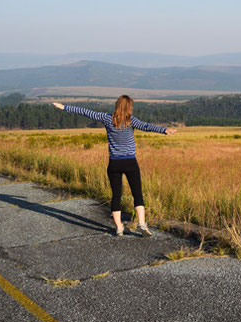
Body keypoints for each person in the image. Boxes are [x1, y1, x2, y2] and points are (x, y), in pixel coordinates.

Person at [52, 95, 176, 237]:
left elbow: (86, 112)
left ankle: (118, 228)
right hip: (130, 162)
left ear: (117, 105)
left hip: (114, 163)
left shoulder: (107, 118)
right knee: (137, 194)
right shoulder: (131, 120)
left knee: (116, 195)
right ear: (129, 107)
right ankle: (142, 223)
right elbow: (146, 126)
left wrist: (64, 107)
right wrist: (164, 130)